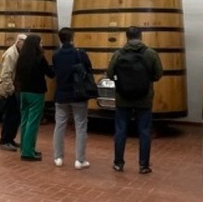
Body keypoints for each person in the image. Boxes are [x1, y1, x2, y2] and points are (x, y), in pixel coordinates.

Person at [105, 26, 164, 174]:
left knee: (120, 131)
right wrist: (146, 81)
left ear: (127, 37)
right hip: (144, 98)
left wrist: (121, 82)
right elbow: (158, 74)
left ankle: (118, 163)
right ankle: (143, 166)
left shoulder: (118, 54)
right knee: (144, 132)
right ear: (140, 36)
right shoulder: (151, 53)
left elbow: (110, 74)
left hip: (122, 98)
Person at [50, 27, 96, 169]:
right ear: (72, 38)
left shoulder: (56, 55)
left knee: (59, 126)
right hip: (78, 95)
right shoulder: (80, 54)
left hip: (61, 95)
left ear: (60, 39)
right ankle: (80, 160)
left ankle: (58, 157)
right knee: (80, 126)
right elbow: (88, 69)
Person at [13, 33, 52, 161]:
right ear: (36, 45)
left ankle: (25, 147)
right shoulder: (39, 58)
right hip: (36, 93)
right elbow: (50, 73)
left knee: (24, 120)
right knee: (33, 122)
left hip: (23, 92)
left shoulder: (21, 58)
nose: (42, 45)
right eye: (40, 43)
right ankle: (28, 152)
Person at [0, 31, 27, 151]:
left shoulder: (18, 52)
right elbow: (5, 74)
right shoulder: (11, 54)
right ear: (18, 42)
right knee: (9, 116)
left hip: (14, 89)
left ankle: (10, 139)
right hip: (9, 91)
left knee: (15, 116)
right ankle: (4, 141)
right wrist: (10, 90)